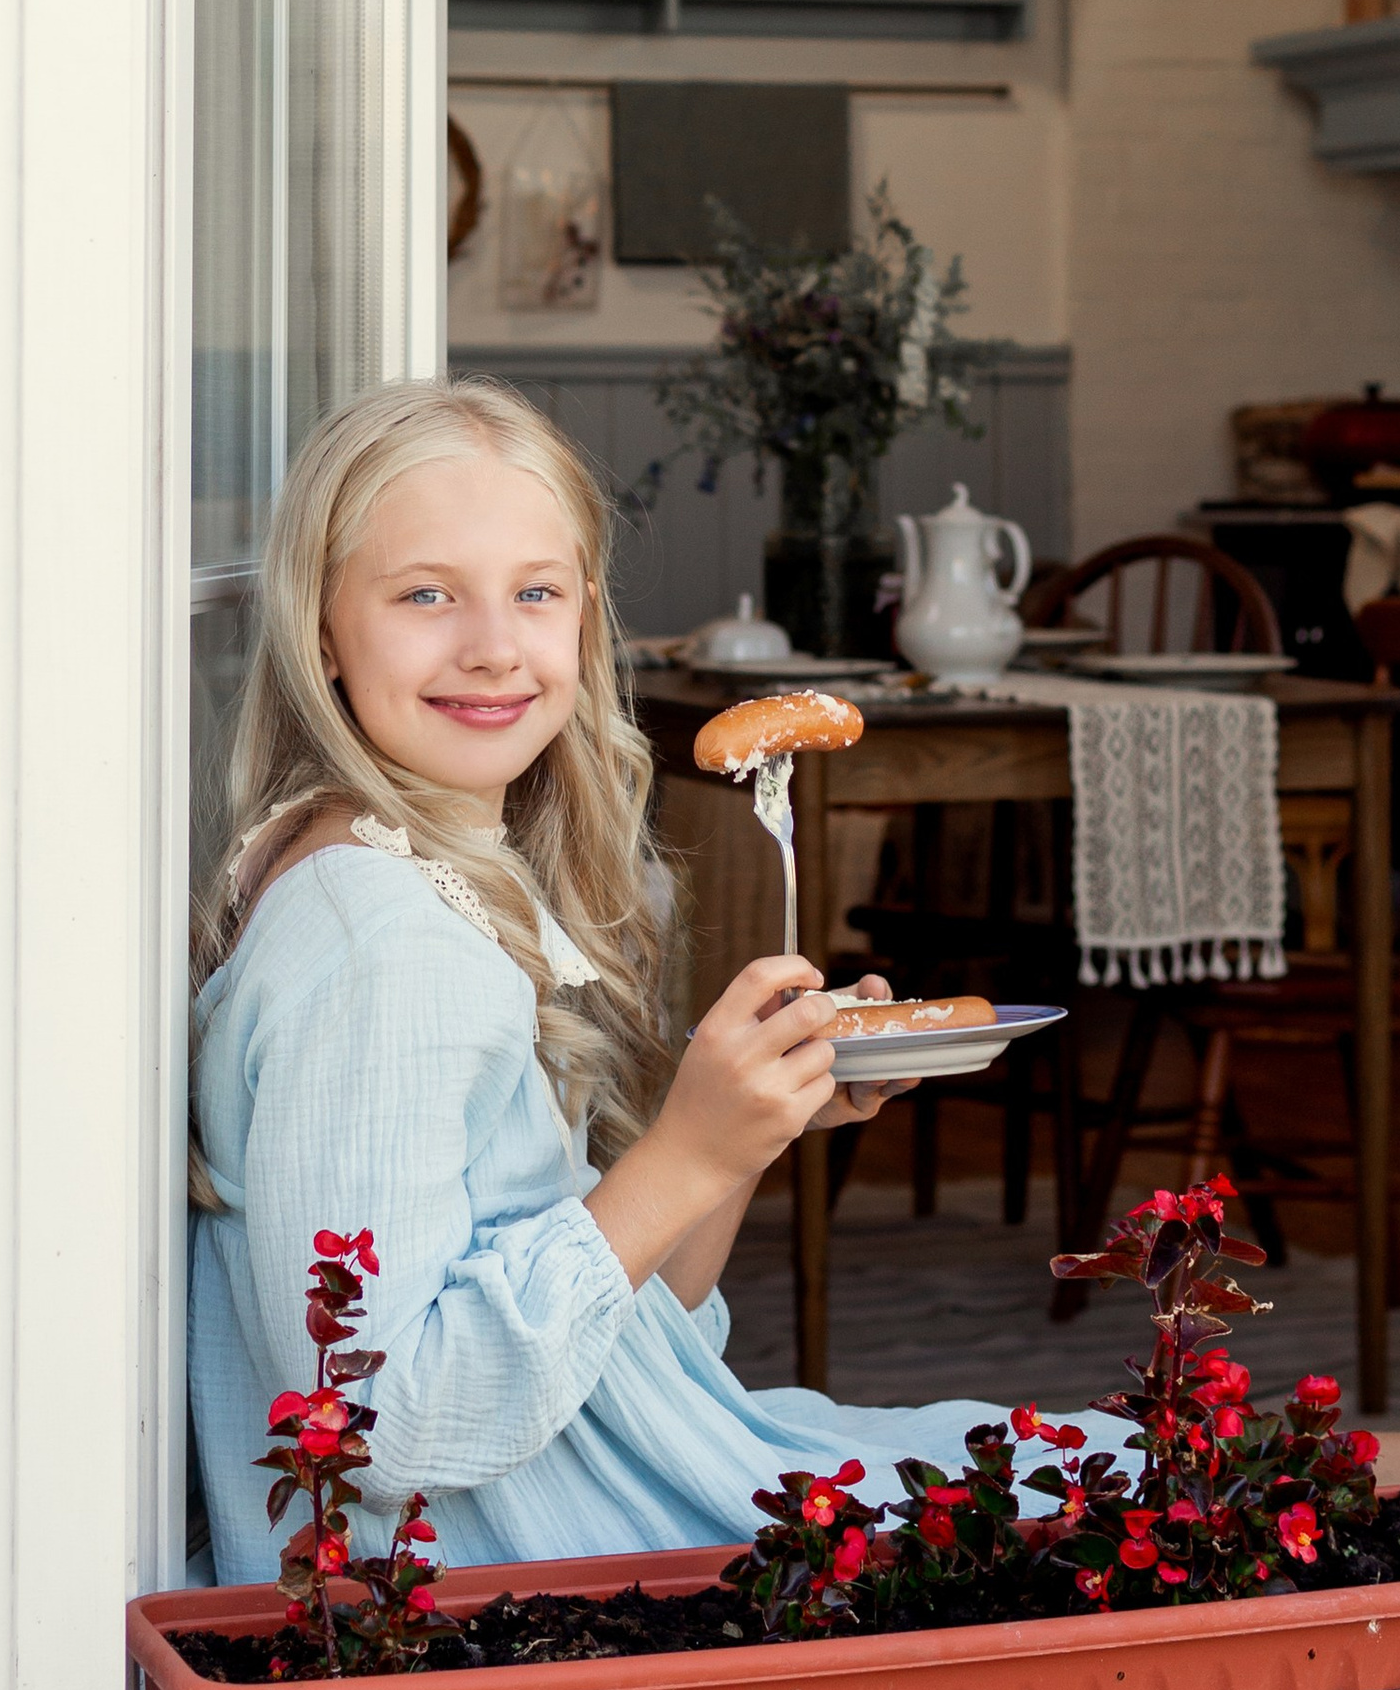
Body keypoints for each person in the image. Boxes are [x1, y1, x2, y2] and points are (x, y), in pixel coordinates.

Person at [189, 376, 1092, 1584]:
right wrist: (690, 1154)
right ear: (318, 631)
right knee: (1119, 1497)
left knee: (1105, 1475)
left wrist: (737, 1131)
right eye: (423, 596)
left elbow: (626, 1322)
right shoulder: (379, 943)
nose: (494, 646)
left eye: (536, 592)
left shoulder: (416, 872)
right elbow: (373, 1423)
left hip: (573, 1486)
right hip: (490, 1579)